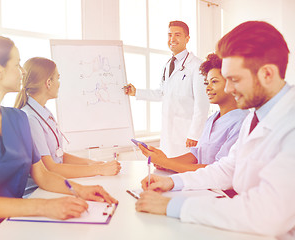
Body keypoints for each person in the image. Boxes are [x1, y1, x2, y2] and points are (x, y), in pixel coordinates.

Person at [0, 35, 117, 240]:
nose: (22, 71)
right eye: (17, 64)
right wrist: (46, 206)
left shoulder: (18, 119)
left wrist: (80, 190)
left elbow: (43, 175)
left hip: (14, 225)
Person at [135, 21, 295, 238]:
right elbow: (227, 168)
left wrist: (173, 207)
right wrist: (172, 182)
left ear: (267, 74)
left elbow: (268, 214)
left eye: (234, 80)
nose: (228, 89)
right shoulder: (255, 116)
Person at [138, 53, 248, 173]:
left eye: (214, 82)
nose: (208, 88)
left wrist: (167, 163)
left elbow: (219, 170)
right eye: (207, 83)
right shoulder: (212, 119)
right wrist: (165, 162)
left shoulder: (242, 122)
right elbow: (196, 155)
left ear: (231, 83)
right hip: (201, 184)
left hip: (219, 189)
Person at [14, 57, 121, 180]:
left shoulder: (44, 112)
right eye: (57, 78)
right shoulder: (31, 118)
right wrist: (99, 170)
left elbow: (58, 156)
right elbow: (50, 168)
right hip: (39, 190)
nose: (59, 83)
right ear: (48, 83)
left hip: (54, 181)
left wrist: (91, 163)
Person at [124, 20, 209, 158]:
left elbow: (202, 105)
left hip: (187, 136)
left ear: (187, 39)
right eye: (169, 35)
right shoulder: (168, 65)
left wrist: (194, 134)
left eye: (177, 35)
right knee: (167, 171)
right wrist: (136, 92)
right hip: (169, 135)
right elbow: (162, 93)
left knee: (183, 173)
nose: (172, 39)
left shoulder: (197, 66)